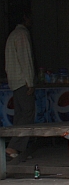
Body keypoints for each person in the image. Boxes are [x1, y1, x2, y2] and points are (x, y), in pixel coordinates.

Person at [4, 11, 34, 161]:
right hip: (22, 81)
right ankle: (13, 146)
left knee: (19, 114)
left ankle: (16, 148)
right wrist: (30, 81)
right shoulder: (22, 35)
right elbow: (25, 60)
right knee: (28, 113)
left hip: (14, 80)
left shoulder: (12, 35)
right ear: (25, 18)